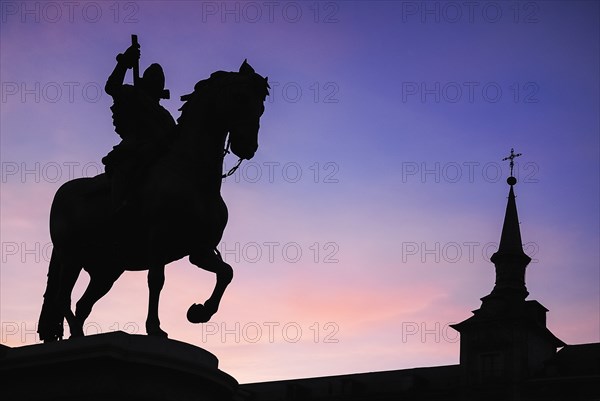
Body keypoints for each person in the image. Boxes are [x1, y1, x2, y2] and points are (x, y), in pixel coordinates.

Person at [101, 42, 176, 212]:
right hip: (134, 146)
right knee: (126, 168)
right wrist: (124, 63)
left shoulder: (165, 114)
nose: (157, 81)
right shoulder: (132, 94)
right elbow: (111, 87)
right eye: (153, 77)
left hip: (162, 153)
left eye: (160, 79)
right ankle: (120, 207)